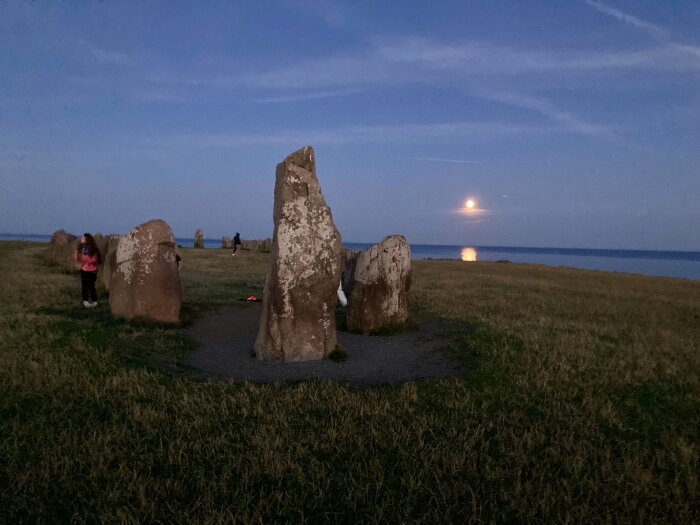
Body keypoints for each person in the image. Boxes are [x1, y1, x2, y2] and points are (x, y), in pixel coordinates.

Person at [75, 233, 101, 308]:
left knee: (91, 286)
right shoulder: (81, 248)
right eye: (81, 238)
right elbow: (77, 257)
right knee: (84, 285)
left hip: (92, 270)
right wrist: (80, 260)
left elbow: (94, 259)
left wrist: (84, 260)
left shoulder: (94, 249)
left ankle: (94, 301)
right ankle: (85, 301)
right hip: (84, 269)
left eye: (83, 238)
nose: (81, 239)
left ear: (87, 239)